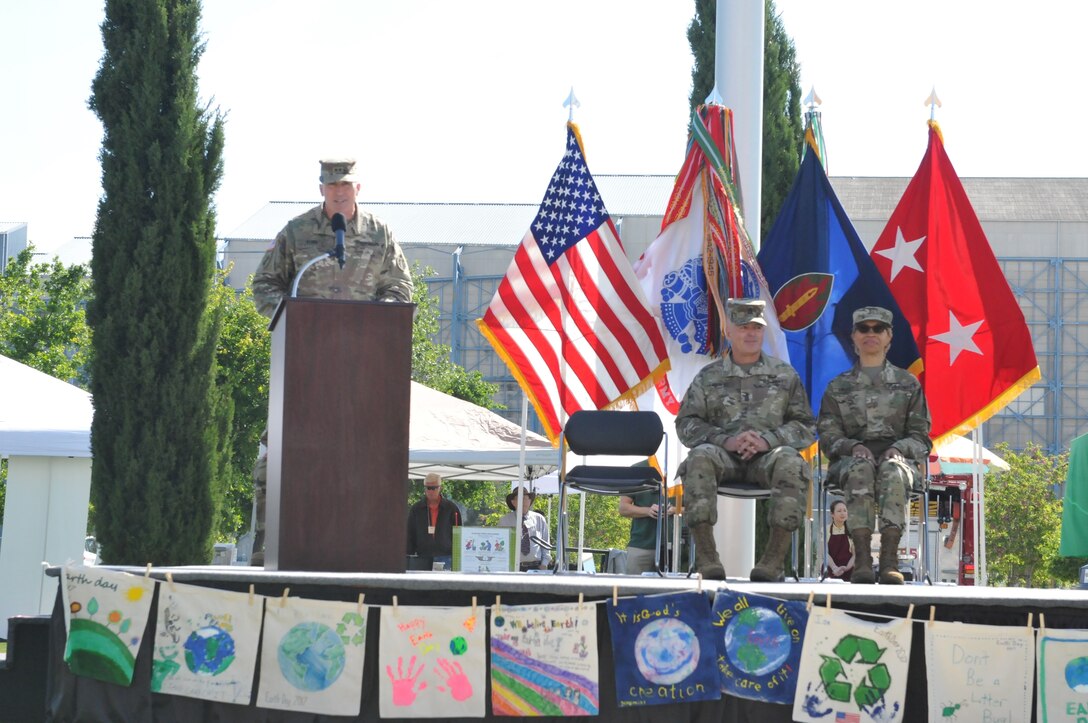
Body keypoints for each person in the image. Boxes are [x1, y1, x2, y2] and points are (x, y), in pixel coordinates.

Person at [247, 158, 414, 565]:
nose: (339, 193)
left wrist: (378, 324)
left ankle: (362, 552)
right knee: (280, 461)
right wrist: (291, 320)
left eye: (346, 186)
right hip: (305, 371)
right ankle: (269, 554)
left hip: (364, 375)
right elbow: (264, 284)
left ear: (359, 188)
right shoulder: (297, 231)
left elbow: (401, 288)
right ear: (321, 189)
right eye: (331, 187)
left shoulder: (380, 234)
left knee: (367, 459)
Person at [675, 298, 816, 582]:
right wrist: (725, 440)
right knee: (699, 457)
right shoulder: (709, 376)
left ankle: (773, 561)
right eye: (743, 327)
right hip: (723, 457)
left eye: (757, 327)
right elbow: (687, 423)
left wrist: (768, 440)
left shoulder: (784, 375)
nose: (751, 333)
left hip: (769, 458)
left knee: (792, 462)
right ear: (729, 331)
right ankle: (707, 558)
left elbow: (804, 426)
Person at [818, 306, 932, 585]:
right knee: (860, 469)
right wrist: (853, 446)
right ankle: (864, 562)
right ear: (854, 338)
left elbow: (921, 436)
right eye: (864, 329)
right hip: (850, 461)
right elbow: (827, 434)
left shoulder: (908, 384)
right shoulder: (838, 387)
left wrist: (899, 449)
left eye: (878, 329)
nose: (871, 334)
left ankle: (890, 561)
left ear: (889, 337)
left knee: (892, 471)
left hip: (898, 461)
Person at [406, 473, 461, 570]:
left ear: (440, 488)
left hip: (446, 557)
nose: (430, 491)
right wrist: (408, 556)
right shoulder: (416, 509)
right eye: (428, 488)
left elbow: (458, 534)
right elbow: (410, 533)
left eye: (434, 488)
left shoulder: (451, 508)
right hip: (422, 557)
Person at [618, 487, 674, 575]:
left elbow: (696, 508)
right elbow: (623, 508)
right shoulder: (636, 476)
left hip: (673, 548)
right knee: (635, 586)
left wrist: (673, 510)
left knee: (674, 587)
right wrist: (648, 511)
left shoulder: (680, 477)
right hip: (640, 545)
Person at [498, 486, 550, 571]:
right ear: (513, 502)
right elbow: (500, 546)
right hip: (513, 568)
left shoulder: (539, 519)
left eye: (526, 498)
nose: (524, 501)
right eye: (520, 498)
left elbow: (545, 542)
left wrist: (544, 564)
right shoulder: (504, 521)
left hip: (536, 567)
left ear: (530, 501)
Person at [825, 499, 855, 581]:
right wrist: (834, 568)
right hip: (831, 571)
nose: (843, 513)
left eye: (845, 510)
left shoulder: (852, 530)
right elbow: (824, 553)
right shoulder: (825, 530)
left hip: (849, 571)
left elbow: (855, 555)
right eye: (839, 511)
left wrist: (846, 568)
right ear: (832, 514)